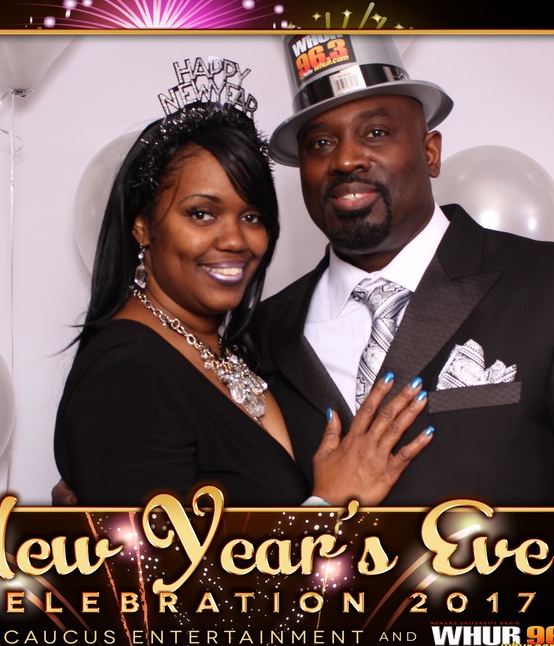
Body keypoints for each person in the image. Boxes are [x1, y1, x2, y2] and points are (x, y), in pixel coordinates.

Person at [251, 34, 554, 507]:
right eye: (321, 143)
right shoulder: (260, 335)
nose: (344, 160)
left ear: (431, 153)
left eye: (376, 132)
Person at [53, 78, 435, 507]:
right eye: (202, 214)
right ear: (142, 225)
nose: (235, 240)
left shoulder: (233, 348)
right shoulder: (128, 372)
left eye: (252, 217)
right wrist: (328, 505)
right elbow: (150, 553)